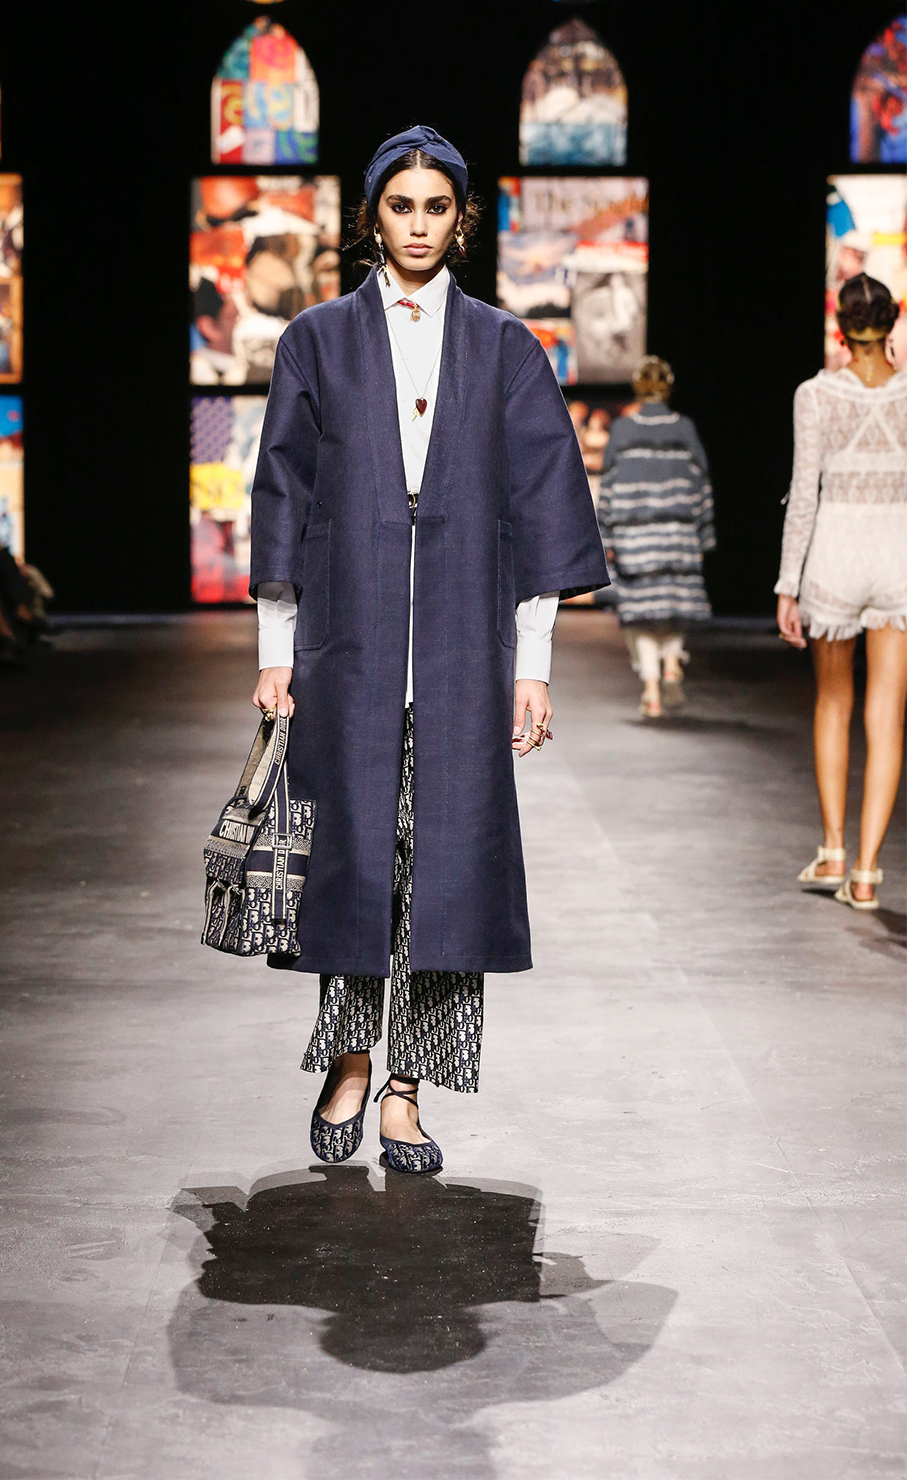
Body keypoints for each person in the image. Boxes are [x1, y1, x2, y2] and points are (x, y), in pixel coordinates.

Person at [250, 127, 608, 1175]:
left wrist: (533, 663)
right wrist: (275, 646)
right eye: (399, 205)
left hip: (461, 643)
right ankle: (349, 1059)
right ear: (372, 216)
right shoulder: (317, 339)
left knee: (443, 867)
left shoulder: (505, 346)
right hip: (347, 639)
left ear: (461, 220)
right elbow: (282, 494)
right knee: (355, 857)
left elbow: (540, 508)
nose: (417, 225)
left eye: (435, 207)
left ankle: (406, 1087)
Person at [776, 272, 907, 911]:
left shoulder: (815, 394)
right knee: (887, 716)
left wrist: (787, 583)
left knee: (833, 703)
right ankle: (867, 873)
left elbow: (805, 494)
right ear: (892, 323)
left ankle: (832, 848)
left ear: (841, 327)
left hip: (834, 555)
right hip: (897, 558)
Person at [597, 356, 715, 719]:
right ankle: (672, 664)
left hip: (635, 537)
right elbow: (701, 486)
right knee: (673, 609)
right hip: (679, 534)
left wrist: (605, 537)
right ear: (668, 387)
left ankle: (651, 689)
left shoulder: (622, 430)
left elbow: (608, 489)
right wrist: (704, 534)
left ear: (637, 387)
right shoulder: (685, 429)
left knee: (640, 615)